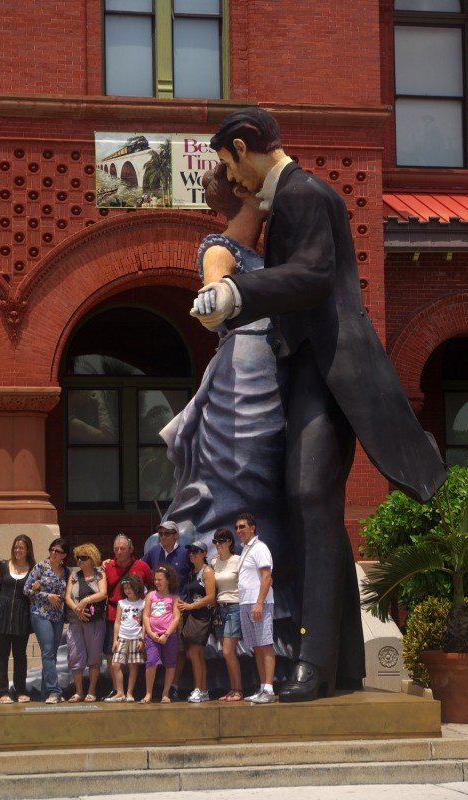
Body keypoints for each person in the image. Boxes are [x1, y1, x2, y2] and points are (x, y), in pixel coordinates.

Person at [192, 106, 447, 702]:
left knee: (310, 494)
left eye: (230, 165)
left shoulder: (307, 195)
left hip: (333, 372)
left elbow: (311, 276)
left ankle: (313, 663)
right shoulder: (284, 202)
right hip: (305, 370)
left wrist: (235, 291)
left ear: (243, 145)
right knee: (312, 502)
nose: (234, 181)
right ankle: (340, 663)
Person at [159, 167, 289, 615]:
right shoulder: (221, 246)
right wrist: (214, 297)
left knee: (266, 483)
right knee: (237, 474)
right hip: (244, 372)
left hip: (274, 371)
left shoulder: (270, 254)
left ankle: (270, 610)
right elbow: (215, 280)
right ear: (241, 192)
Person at [0, 534, 35, 704]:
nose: (17, 550)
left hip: (22, 615)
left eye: (21, 547)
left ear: (28, 550)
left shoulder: (34, 568)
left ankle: (20, 690)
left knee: (20, 655)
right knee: (2, 654)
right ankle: (3, 691)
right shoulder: (3, 565)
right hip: (2, 614)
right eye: (15, 547)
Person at [142, 520, 191, 700]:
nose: (163, 537)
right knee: (152, 657)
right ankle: (152, 691)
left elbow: (200, 568)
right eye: (161, 534)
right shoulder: (154, 551)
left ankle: (173, 686)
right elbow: (139, 567)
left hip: (178, 608)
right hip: (155, 610)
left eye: (167, 534)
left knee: (177, 651)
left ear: (176, 535)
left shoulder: (185, 553)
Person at [103, 533, 153, 701]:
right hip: (114, 615)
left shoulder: (142, 566)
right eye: (116, 549)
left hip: (137, 619)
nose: (119, 552)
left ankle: (131, 691)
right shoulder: (108, 566)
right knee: (112, 654)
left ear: (131, 549)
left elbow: (152, 587)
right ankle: (117, 689)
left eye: (123, 548)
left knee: (134, 660)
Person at [235, 513, 277, 705]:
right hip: (245, 602)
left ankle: (269, 689)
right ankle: (262, 688)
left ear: (253, 528)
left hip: (259, 603)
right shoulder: (245, 549)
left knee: (265, 644)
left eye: (242, 526)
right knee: (257, 646)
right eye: (237, 527)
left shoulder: (260, 548)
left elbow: (267, 576)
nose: (239, 531)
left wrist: (259, 602)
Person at [24, 537, 70, 703]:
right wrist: (46, 595)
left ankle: (46, 693)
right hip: (40, 613)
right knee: (48, 652)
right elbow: (26, 589)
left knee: (52, 655)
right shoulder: (40, 567)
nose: (53, 553)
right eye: (51, 549)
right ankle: (54, 691)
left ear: (64, 555)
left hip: (57, 617)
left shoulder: (67, 572)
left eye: (57, 551)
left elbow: (68, 594)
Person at [64, 543, 107, 703]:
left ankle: (92, 690)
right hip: (76, 621)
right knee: (75, 655)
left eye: (83, 557)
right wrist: (77, 609)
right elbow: (68, 597)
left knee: (94, 656)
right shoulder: (74, 575)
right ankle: (79, 691)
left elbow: (103, 593)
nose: (79, 561)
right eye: (78, 557)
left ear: (92, 559)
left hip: (95, 621)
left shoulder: (99, 574)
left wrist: (85, 601)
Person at [178, 541, 216, 704]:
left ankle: (200, 689)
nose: (192, 554)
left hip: (202, 616)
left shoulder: (207, 571)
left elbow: (210, 597)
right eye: (190, 551)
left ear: (203, 554)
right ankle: (202, 689)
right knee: (197, 654)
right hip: (192, 616)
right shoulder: (192, 572)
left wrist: (190, 606)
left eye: (196, 551)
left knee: (194, 653)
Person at [211, 528, 243, 702]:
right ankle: (233, 689)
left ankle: (238, 689)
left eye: (222, 540)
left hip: (234, 607)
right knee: (226, 652)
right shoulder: (214, 563)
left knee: (229, 652)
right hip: (219, 609)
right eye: (216, 541)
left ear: (230, 542)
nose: (218, 544)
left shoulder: (238, 560)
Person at [141, 565, 181, 704]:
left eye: (160, 579)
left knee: (170, 663)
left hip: (169, 636)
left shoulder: (174, 598)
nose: (157, 582)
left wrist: (167, 634)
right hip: (153, 635)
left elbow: (176, 618)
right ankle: (148, 693)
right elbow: (145, 616)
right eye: (155, 579)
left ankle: (165, 692)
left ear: (168, 580)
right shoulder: (150, 595)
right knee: (151, 662)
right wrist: (150, 633)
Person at [109, 574, 146, 703]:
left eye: (130, 588)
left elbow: (145, 623)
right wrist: (115, 639)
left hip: (136, 637)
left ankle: (129, 693)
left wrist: (142, 639)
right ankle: (120, 692)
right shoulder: (121, 603)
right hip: (122, 637)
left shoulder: (143, 603)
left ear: (137, 588)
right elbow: (117, 621)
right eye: (125, 588)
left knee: (133, 666)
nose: (127, 591)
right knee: (115, 664)